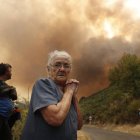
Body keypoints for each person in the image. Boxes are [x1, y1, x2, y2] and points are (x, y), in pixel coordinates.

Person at [21, 50, 83, 140]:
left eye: (66, 66)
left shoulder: (67, 94)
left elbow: (78, 125)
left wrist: (73, 96)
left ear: (70, 70)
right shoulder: (43, 84)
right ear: (48, 69)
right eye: (57, 65)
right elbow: (55, 118)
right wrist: (69, 91)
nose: (62, 69)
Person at [0, 63, 17, 140]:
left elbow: (12, 98)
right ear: (5, 72)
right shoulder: (5, 87)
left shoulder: (5, 85)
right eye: (10, 71)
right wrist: (10, 89)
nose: (11, 73)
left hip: (4, 118)